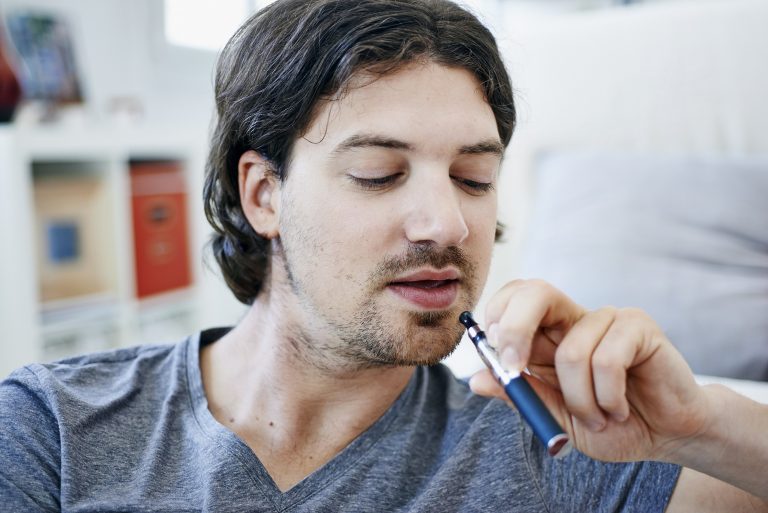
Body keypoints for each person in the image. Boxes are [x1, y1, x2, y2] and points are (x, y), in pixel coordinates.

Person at [1, 0, 766, 511]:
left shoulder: (555, 449)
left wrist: (699, 424)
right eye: (379, 173)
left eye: (474, 178)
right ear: (264, 194)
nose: (447, 222)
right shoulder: (52, 429)